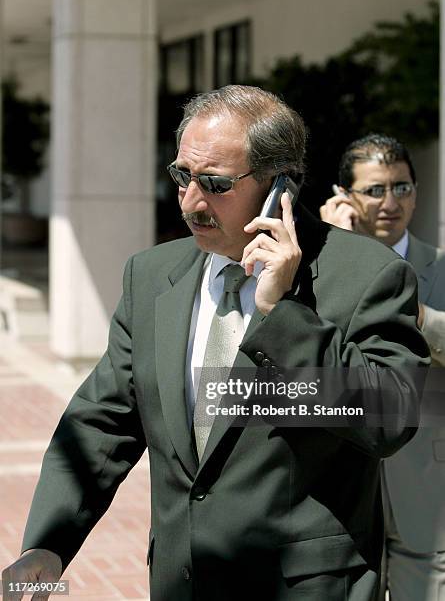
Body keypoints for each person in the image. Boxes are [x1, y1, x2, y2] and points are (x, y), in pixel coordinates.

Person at [2, 89, 429, 601]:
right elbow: (102, 422)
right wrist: (47, 546)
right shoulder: (152, 275)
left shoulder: (367, 274)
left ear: (279, 187)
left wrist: (282, 313)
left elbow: (388, 420)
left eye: (216, 184)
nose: (191, 201)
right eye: (183, 176)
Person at [320, 132, 445, 601]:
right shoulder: (319, 265)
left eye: (402, 187)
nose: (390, 202)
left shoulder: (441, 267)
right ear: (344, 197)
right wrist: (341, 255)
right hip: (344, 483)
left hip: (428, 488)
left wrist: (409, 308)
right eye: (375, 190)